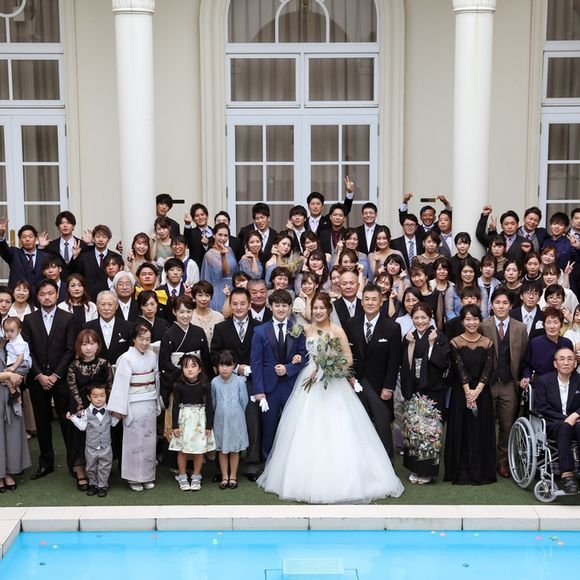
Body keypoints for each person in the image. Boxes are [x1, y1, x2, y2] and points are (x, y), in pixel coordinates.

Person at [258, 291, 404, 503]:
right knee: (305, 428)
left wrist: (328, 369)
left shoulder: (337, 330)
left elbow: (348, 359)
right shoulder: (304, 330)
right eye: (315, 308)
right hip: (308, 381)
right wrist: (297, 358)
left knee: (339, 428)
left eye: (322, 308)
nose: (318, 311)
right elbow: (296, 354)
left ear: (328, 310)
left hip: (332, 384)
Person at [22, 278, 76, 480]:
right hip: (37, 379)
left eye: (50, 293)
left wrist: (55, 375)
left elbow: (70, 349)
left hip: (60, 379)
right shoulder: (29, 319)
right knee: (42, 422)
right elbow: (26, 350)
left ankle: (74, 463)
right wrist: (38, 375)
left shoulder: (67, 318)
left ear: (57, 294)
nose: (47, 297)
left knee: (67, 422)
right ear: (37, 296)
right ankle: (46, 462)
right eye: (43, 294)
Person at [345, 284, 402, 459]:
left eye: (374, 299)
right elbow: (347, 354)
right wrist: (350, 377)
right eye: (367, 299)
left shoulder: (392, 327)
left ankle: (387, 465)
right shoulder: (351, 324)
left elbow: (394, 361)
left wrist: (389, 387)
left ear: (381, 302)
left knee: (383, 428)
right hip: (356, 384)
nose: (370, 303)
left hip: (381, 387)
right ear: (362, 302)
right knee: (359, 426)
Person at [250, 289, 307, 460]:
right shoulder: (260, 331)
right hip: (269, 389)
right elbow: (256, 363)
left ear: (290, 307)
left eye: (284, 306)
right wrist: (259, 390)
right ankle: (267, 462)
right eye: (277, 305)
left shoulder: (297, 329)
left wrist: (289, 368)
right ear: (271, 306)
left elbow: (304, 356)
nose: (281, 309)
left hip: (291, 386)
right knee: (269, 426)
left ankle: (290, 461)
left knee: (291, 425)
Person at [211, 287, 261, 480]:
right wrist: (236, 367)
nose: (239, 307)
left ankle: (252, 466)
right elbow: (214, 355)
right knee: (223, 421)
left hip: (253, 382)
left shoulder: (260, 326)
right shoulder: (221, 328)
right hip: (227, 382)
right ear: (230, 305)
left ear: (249, 305)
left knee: (252, 422)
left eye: (242, 303)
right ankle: (221, 469)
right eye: (235, 304)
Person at [444, 305, 496, 485]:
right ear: (462, 322)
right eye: (468, 319)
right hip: (461, 393)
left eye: (475, 319)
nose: (471, 323)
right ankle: (460, 471)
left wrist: (477, 391)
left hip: (482, 393)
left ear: (480, 321)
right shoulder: (455, 342)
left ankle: (481, 471)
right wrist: (468, 393)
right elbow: (459, 369)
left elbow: (488, 369)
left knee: (481, 431)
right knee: (462, 430)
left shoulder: (488, 343)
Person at [480, 287, 528, 478]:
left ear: (511, 305)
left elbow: (523, 355)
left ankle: (502, 462)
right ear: (491, 305)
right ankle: (486, 460)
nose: (501, 306)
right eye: (497, 302)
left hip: (509, 383)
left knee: (507, 425)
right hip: (487, 384)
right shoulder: (483, 325)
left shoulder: (520, 328)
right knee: (485, 424)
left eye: (505, 303)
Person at [401, 303, 450, 484]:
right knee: (414, 430)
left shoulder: (439, 336)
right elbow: (405, 364)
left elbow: (444, 363)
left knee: (430, 432)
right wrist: (410, 346)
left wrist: (431, 345)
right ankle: (415, 468)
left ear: (430, 318)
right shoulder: (409, 337)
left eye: (423, 317)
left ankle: (427, 472)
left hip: (433, 391)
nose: (420, 321)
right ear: (411, 319)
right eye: (416, 318)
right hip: (414, 389)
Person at [108, 323, 161, 492]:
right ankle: (133, 477)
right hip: (133, 402)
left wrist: (157, 400)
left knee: (149, 440)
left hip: (149, 400)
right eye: (141, 338)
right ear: (133, 339)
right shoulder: (126, 358)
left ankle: (147, 476)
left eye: (148, 339)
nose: (144, 343)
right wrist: (120, 409)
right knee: (134, 440)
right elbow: (121, 384)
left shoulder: (152, 356)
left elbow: (156, 379)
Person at [534, 347, 580, 494]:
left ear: (575, 364)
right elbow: (542, 407)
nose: (566, 362)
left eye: (570, 359)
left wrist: (575, 415)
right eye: (562, 359)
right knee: (564, 427)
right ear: (555, 364)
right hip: (552, 424)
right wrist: (566, 419)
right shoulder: (543, 381)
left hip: (576, 422)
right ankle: (567, 475)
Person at [169, 354, 215, 491]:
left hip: (199, 421)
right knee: (182, 450)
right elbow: (175, 406)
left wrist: (209, 425)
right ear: (182, 369)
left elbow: (209, 406)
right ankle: (182, 476)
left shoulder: (205, 386)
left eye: (193, 366)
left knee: (199, 450)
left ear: (200, 369)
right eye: (186, 366)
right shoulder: (179, 386)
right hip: (184, 421)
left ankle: (196, 476)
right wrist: (175, 425)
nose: (189, 369)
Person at [66, 384, 119, 497]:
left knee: (105, 466)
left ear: (106, 396)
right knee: (90, 467)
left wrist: (119, 416)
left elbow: (113, 423)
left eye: (102, 395)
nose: (99, 399)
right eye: (95, 396)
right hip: (91, 446)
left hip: (106, 446)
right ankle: (93, 485)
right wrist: (73, 418)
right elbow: (82, 427)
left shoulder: (110, 411)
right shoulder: (86, 412)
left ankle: (103, 486)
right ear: (89, 397)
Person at [211, 350, 248, 490]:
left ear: (234, 366)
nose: (225, 368)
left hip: (236, 420)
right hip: (220, 420)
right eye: (221, 365)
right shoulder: (215, 382)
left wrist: (236, 412)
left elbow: (244, 401)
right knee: (222, 449)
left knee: (234, 449)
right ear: (217, 366)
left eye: (228, 365)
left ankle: (233, 476)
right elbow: (213, 402)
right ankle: (224, 476)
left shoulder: (239, 381)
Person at [0, 346, 31, 492]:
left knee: (11, 434)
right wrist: (7, 375)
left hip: (9, 393)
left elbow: (25, 361)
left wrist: (18, 374)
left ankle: (8, 472)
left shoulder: (8, 343)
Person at [521, 307, 574, 382]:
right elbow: (527, 365)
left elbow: (572, 365)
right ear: (544, 325)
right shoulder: (535, 343)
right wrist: (527, 377)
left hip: (563, 382)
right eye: (548, 323)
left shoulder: (567, 343)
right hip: (540, 383)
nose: (552, 326)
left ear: (561, 325)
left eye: (556, 322)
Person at [71, 224, 122, 301]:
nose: (100, 240)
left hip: (109, 299)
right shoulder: (84, 257)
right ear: (93, 239)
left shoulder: (116, 256)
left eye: (104, 237)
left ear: (108, 239)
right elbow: (76, 274)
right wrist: (75, 257)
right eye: (98, 237)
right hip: (88, 299)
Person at [0, 220, 49, 290]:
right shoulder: (14, 253)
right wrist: (1, 236)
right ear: (20, 240)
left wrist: (42, 247)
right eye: (24, 237)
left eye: (30, 236)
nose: (27, 239)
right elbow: (4, 250)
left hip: (39, 294)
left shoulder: (45, 256)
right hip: (18, 294)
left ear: (36, 238)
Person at [201, 223, 239, 312]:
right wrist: (223, 256)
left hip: (233, 290)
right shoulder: (209, 254)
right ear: (214, 235)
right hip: (219, 292)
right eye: (220, 235)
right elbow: (226, 272)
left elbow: (236, 271)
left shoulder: (229, 249)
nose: (223, 238)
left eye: (225, 235)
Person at [0, 317, 31, 416]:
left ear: (19, 331)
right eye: (6, 331)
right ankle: (18, 400)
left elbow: (20, 356)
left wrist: (13, 368)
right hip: (18, 364)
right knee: (12, 381)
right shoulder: (12, 340)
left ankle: (14, 394)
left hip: (20, 364)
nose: (9, 334)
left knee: (7, 377)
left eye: (12, 331)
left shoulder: (18, 342)